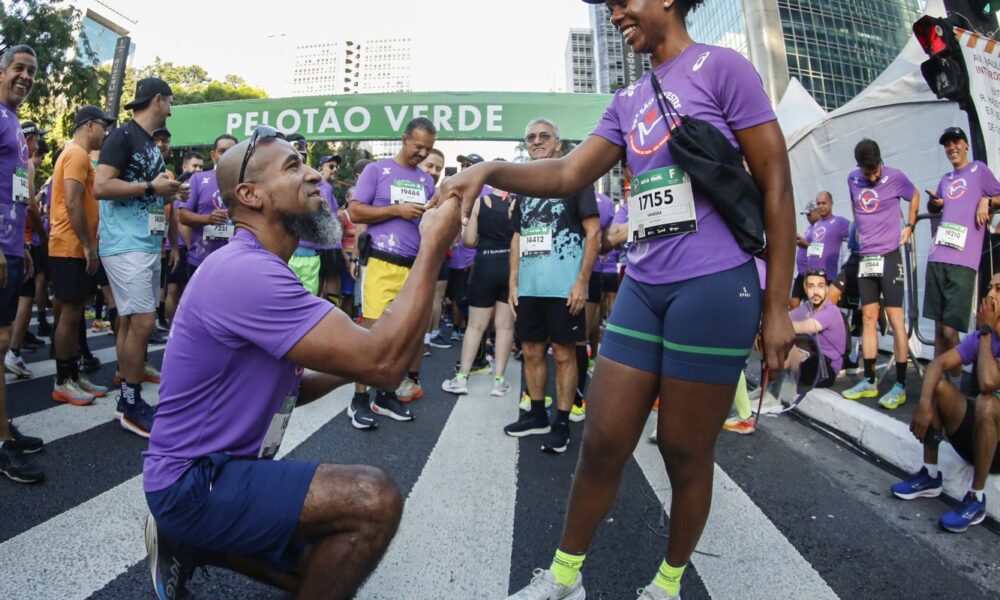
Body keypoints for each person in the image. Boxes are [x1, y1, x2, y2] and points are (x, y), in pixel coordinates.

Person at [437, 1, 794, 596]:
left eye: (623, 1)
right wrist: (492, 169)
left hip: (715, 284)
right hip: (643, 286)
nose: (615, 13)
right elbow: (564, 175)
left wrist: (777, 305)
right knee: (602, 440)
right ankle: (563, 577)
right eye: (607, 8)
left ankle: (668, 582)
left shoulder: (723, 68)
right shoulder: (628, 100)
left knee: (684, 449)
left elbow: (776, 184)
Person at [142, 127, 461, 599]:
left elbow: (296, 385)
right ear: (251, 195)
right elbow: (385, 366)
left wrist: (355, 355)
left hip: (216, 474)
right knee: (373, 500)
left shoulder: (263, 266)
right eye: (294, 166)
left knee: (323, 569)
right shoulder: (247, 272)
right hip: (195, 482)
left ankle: (189, 542)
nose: (314, 173)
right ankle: (190, 528)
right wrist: (432, 245)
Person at [500, 117, 600, 454]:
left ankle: (561, 421)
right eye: (531, 138)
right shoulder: (523, 187)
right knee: (530, 350)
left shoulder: (575, 179)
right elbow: (517, 237)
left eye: (544, 136)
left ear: (558, 143)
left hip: (564, 287)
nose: (537, 141)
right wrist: (513, 283)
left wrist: (581, 283)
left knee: (563, 353)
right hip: (529, 288)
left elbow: (593, 232)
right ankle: (538, 414)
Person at [94, 77, 187, 438]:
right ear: (158, 100)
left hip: (146, 244)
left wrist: (170, 190)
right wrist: (152, 186)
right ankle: (131, 404)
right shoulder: (122, 136)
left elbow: (148, 193)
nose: (172, 109)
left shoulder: (150, 144)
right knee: (143, 323)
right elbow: (102, 186)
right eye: (170, 101)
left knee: (133, 324)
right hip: (125, 244)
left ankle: (127, 397)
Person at [892, 273, 1000, 533]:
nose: (990, 295)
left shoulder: (984, 335)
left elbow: (987, 383)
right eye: (989, 287)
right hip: (978, 439)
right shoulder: (982, 337)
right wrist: (925, 404)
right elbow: (937, 364)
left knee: (986, 402)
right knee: (937, 386)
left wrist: (985, 330)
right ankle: (930, 475)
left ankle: (976, 497)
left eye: (998, 289)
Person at [348, 117, 437, 426]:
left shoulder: (427, 181)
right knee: (373, 336)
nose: (422, 154)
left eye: (428, 149)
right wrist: (397, 210)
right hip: (381, 262)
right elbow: (355, 210)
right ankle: (359, 400)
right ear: (404, 139)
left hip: (412, 268)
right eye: (418, 147)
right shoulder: (377, 170)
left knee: (401, 337)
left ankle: (385, 396)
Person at [841, 139, 919, 410]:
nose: (873, 176)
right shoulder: (852, 179)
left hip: (889, 256)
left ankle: (899, 385)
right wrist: (862, 231)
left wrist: (909, 226)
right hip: (866, 258)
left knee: (896, 319)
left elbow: (915, 195)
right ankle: (870, 379)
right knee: (869, 318)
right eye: (868, 173)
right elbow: (855, 205)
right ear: (859, 167)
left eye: (875, 172)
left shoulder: (895, 176)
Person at [48, 105, 116, 406]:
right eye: (103, 126)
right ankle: (64, 380)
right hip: (70, 246)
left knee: (72, 314)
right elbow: (73, 201)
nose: (105, 133)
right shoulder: (76, 154)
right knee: (70, 315)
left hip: (72, 245)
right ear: (89, 125)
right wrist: (89, 246)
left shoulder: (77, 155)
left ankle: (73, 375)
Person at [0, 44, 45, 484]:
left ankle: (2, 429)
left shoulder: (13, 122)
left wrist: (22, 245)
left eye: (31, 71)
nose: (26, 77)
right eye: (18, 68)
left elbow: (13, 191)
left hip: (13, 246)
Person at [925, 127, 1000, 385]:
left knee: (950, 330)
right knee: (937, 331)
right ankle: (936, 392)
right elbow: (938, 211)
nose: (951, 147)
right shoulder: (945, 179)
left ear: (966, 145)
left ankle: (955, 386)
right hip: (937, 258)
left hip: (962, 262)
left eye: (956, 142)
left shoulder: (979, 170)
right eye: (947, 144)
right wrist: (934, 205)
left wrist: (987, 202)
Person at [441, 181, 516, 397]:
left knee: (475, 326)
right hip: (510, 266)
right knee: (505, 328)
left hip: (485, 265)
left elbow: (469, 240)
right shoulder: (516, 202)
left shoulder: (480, 203)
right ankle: (499, 382)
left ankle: (462, 378)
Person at [178, 135, 237, 278]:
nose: (227, 155)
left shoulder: (248, 183)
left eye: (232, 151)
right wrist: (208, 219)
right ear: (213, 155)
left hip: (235, 261)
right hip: (200, 259)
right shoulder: (198, 179)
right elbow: (183, 216)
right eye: (222, 151)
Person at [163, 150, 204, 326]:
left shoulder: (199, 187)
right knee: (174, 290)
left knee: (183, 291)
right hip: (179, 247)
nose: (198, 170)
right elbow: (180, 220)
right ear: (184, 166)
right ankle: (172, 326)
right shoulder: (181, 187)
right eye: (195, 166)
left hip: (185, 248)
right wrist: (189, 247)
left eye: (201, 167)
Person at [418, 148, 450, 352]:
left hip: (436, 256)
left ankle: (426, 338)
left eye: (439, 168)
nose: (434, 171)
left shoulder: (443, 195)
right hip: (403, 259)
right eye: (429, 166)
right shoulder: (406, 187)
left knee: (430, 299)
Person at [317, 154, 347, 305]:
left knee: (324, 286)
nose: (335, 170)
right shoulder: (324, 187)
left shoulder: (325, 188)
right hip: (326, 247)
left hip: (327, 246)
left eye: (337, 167)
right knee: (331, 284)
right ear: (320, 169)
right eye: (331, 166)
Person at [805, 191, 851, 284]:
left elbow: (857, 232)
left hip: (829, 276)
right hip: (812, 275)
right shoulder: (816, 225)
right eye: (818, 204)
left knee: (828, 299)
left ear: (831, 203)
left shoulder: (839, 222)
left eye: (824, 203)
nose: (821, 206)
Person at [791, 201, 819, 309]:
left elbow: (821, 251)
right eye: (806, 215)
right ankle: (796, 325)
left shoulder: (821, 229)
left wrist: (804, 244)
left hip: (812, 273)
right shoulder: (809, 228)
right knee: (794, 303)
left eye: (809, 214)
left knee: (811, 305)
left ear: (817, 212)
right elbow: (807, 245)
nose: (807, 217)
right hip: (802, 272)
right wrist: (799, 242)